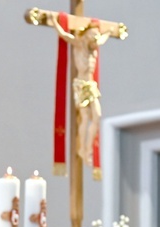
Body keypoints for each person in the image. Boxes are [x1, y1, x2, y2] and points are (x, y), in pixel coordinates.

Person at [52, 15, 111, 168]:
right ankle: (82, 149)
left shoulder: (94, 48)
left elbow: (103, 39)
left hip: (91, 85)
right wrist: (54, 23)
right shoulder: (79, 44)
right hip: (81, 84)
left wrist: (110, 32)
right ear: (87, 35)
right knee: (84, 118)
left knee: (97, 116)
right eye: (93, 36)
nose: (96, 39)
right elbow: (65, 35)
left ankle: (88, 148)